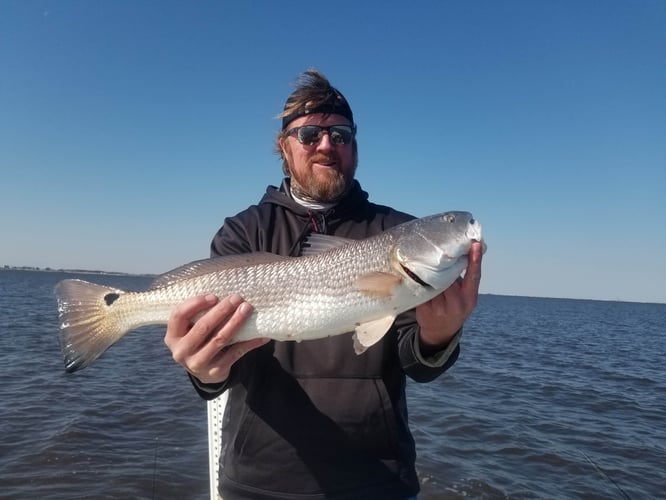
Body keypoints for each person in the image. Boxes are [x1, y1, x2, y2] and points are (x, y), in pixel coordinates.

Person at [164, 69, 483, 500]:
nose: (327, 146)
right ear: (284, 147)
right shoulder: (243, 232)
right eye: (310, 134)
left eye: (342, 135)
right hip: (259, 477)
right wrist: (202, 369)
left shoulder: (396, 231)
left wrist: (440, 336)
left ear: (355, 146)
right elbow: (221, 363)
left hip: (377, 479)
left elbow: (417, 365)